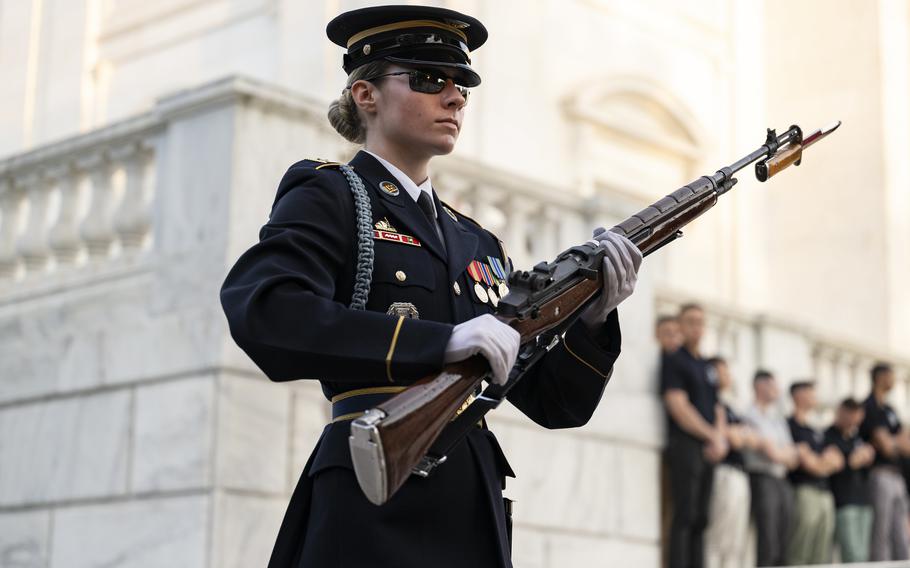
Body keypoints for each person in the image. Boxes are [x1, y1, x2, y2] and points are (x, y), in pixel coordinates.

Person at [219, 6, 642, 568]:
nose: (454, 97)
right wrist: (438, 343)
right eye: (427, 80)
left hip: (469, 502)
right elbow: (265, 311)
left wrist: (593, 317)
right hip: (372, 500)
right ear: (365, 95)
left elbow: (556, 404)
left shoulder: (477, 243)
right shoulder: (333, 193)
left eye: (461, 83)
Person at [660, 304, 726, 568]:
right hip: (685, 444)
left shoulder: (707, 366)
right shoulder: (675, 360)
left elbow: (717, 406)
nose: (696, 327)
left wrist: (719, 439)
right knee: (685, 514)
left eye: (700, 321)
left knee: (702, 518)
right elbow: (677, 405)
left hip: (709, 448)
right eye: (690, 321)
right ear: (681, 325)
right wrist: (711, 435)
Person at [703, 356, 756, 568]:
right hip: (724, 472)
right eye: (723, 371)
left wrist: (737, 435)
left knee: (736, 539)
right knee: (719, 535)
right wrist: (736, 435)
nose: (727, 376)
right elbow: (730, 437)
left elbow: (750, 438)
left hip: (740, 473)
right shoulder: (711, 403)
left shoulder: (730, 406)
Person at [742, 370, 799, 567]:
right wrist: (779, 453)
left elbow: (792, 456)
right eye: (773, 386)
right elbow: (771, 452)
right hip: (762, 478)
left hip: (781, 480)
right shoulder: (749, 415)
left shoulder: (777, 420)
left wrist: (777, 452)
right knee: (768, 539)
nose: (777, 391)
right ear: (760, 386)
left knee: (785, 538)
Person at [785, 381, 844, 565]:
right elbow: (810, 464)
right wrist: (822, 463)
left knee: (822, 551)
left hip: (825, 492)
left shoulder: (815, 430)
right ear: (798, 395)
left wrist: (820, 462)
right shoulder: (789, 425)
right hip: (804, 490)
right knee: (801, 547)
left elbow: (838, 461)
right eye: (811, 392)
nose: (815, 396)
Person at [860, 362, 910, 561]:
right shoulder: (869, 406)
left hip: (897, 475)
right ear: (880, 377)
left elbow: (904, 443)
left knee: (900, 533)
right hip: (879, 474)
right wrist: (893, 441)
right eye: (891, 376)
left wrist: (892, 440)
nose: (894, 381)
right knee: (881, 531)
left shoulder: (889, 409)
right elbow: (886, 445)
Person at [826, 397, 875, 562]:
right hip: (844, 502)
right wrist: (854, 459)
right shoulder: (829, 435)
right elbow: (841, 463)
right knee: (851, 553)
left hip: (863, 500)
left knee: (863, 555)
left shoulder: (857, 438)